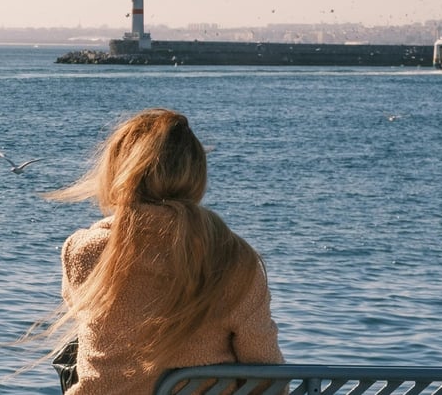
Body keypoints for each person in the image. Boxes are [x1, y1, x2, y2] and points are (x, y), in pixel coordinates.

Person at [45, 108, 283, 394]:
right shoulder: (233, 258)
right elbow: (266, 372)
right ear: (196, 174)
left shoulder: (84, 250)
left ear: (117, 171)